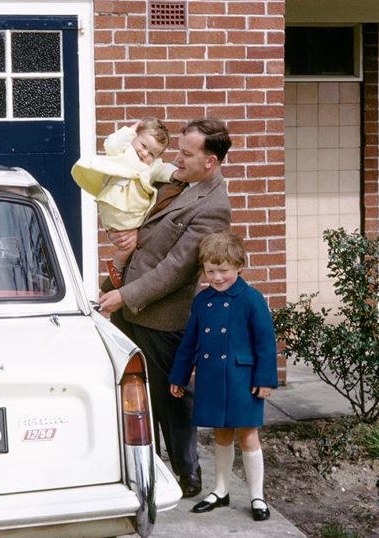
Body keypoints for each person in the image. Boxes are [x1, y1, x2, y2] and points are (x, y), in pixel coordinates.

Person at [97, 118, 232, 499]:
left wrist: (124, 295)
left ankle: (188, 475)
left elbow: (176, 269)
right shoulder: (174, 180)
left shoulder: (214, 207)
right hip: (129, 301)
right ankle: (145, 466)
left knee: (172, 399)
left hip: (160, 314)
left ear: (210, 161)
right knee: (133, 394)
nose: (178, 158)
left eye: (187, 154)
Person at [168, 231, 278, 521]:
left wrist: (265, 379)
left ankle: (257, 496)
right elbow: (189, 342)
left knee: (248, 435)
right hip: (212, 377)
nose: (216, 277)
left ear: (240, 266)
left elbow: (266, 342)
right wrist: (178, 377)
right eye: (210, 270)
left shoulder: (252, 299)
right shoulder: (202, 302)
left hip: (243, 380)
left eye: (223, 270)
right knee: (221, 434)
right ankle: (220, 490)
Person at [70, 118, 175, 287]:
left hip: (133, 217)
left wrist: (176, 174)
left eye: (152, 154)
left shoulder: (151, 167)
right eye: (143, 145)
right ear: (134, 137)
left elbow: (164, 170)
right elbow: (111, 144)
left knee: (132, 243)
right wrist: (130, 130)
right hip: (114, 209)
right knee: (129, 244)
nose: (144, 154)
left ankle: (120, 266)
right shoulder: (122, 153)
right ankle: (117, 267)